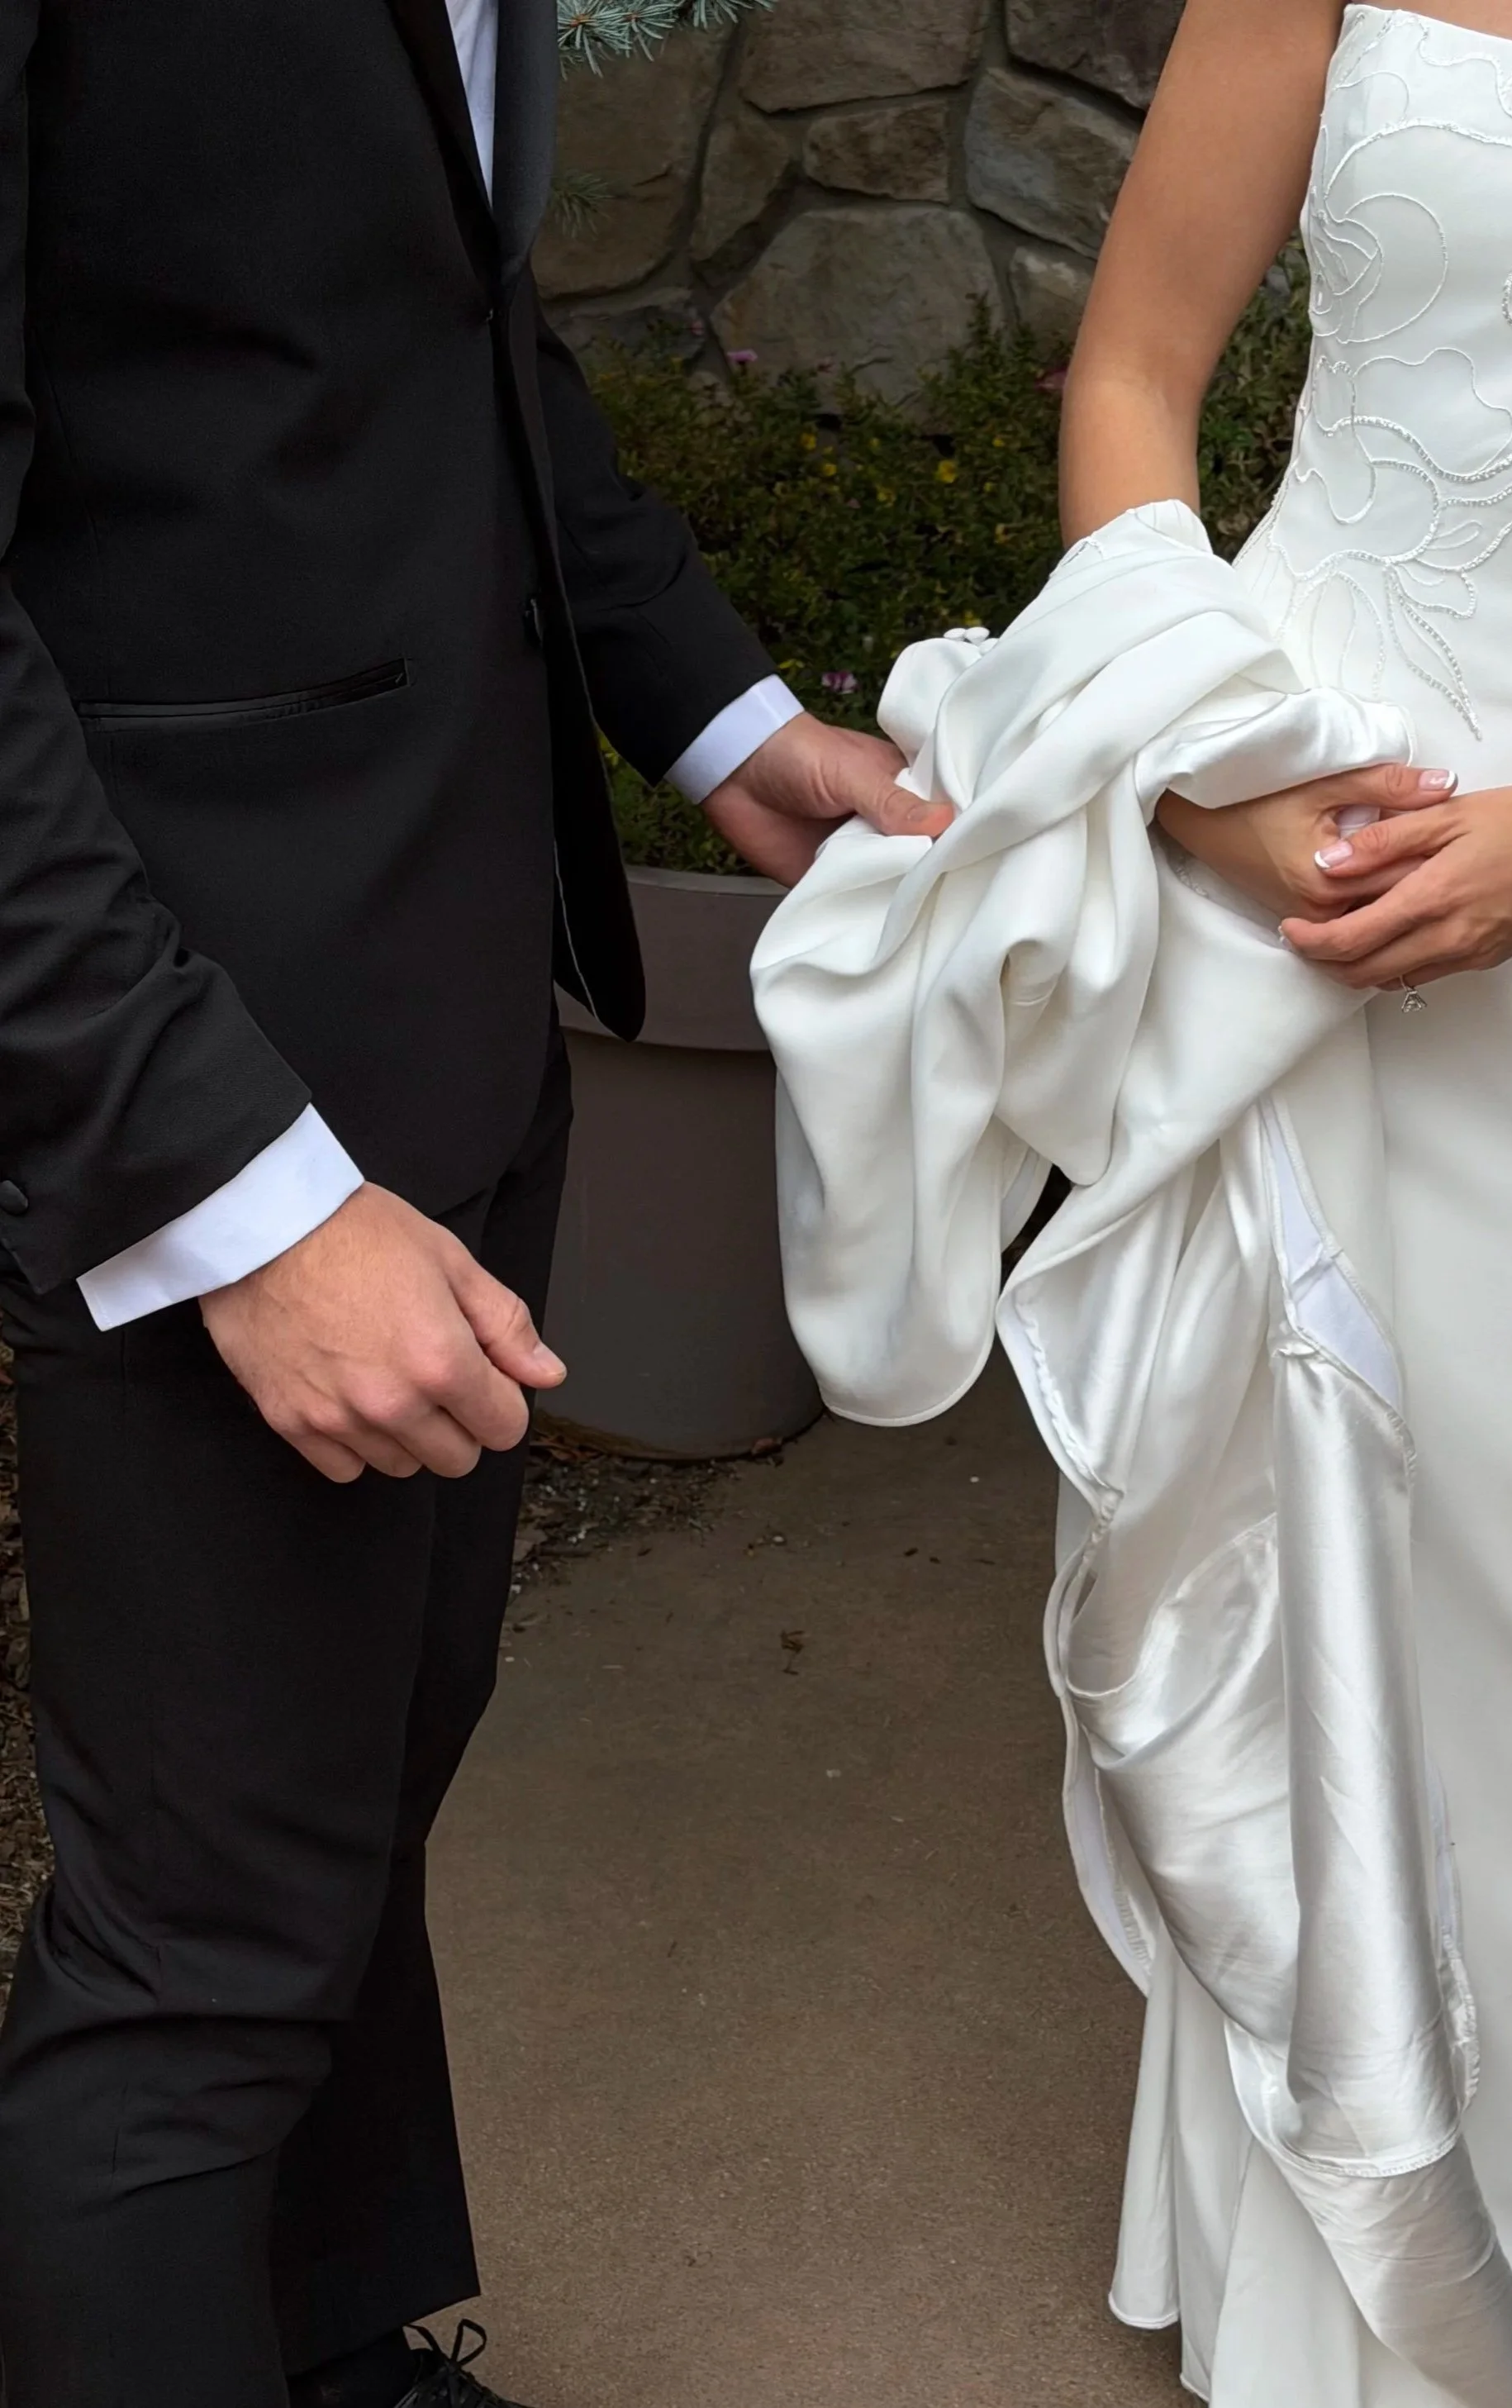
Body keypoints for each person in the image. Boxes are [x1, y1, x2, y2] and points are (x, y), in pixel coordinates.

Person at [755, 3, 1512, 2403]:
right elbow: (1133, 370)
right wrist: (1212, 779)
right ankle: (1273, 2290)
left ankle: (1447, 2299)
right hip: (1297, 837)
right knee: (1264, 1539)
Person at [0, 4, 947, 2406]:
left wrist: (717, 712)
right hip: (203, 1071)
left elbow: (441, 324)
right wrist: (228, 1187)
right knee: (191, 1949)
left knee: (340, 1810)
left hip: (450, 1001)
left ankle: (331, 2351)